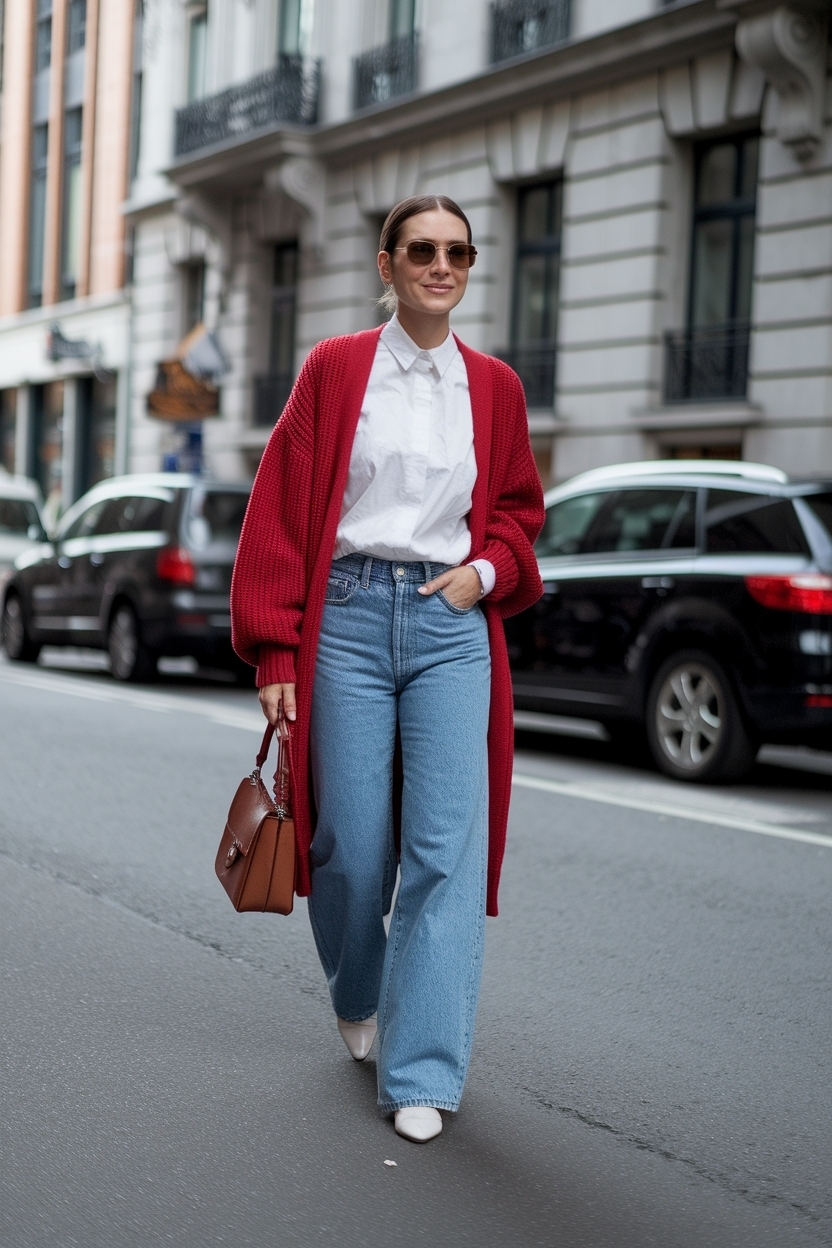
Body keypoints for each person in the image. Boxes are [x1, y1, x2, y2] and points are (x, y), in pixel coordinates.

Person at [231, 194, 544, 1143]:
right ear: (387, 263)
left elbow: (520, 513)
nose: (440, 265)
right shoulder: (335, 370)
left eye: (457, 252)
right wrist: (277, 645)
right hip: (348, 622)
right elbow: (282, 508)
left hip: (451, 627)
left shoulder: (495, 387)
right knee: (351, 847)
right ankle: (357, 988)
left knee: (445, 853)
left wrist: (485, 572)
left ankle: (423, 1072)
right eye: (421, 250)